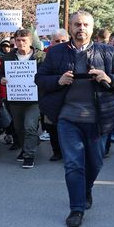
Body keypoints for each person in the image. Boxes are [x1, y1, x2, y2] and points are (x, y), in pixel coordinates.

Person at [36, 10, 114, 227]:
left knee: (95, 163)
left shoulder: (108, 52)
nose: (81, 28)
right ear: (70, 27)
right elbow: (40, 78)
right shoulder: (56, 52)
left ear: (92, 28)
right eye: (77, 24)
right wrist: (58, 80)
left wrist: (109, 78)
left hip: (99, 119)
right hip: (67, 118)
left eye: (85, 25)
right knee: (73, 164)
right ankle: (76, 208)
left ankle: (86, 188)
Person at [0, 29, 45, 168]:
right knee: (19, 128)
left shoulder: (41, 57)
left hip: (34, 99)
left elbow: (47, 75)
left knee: (30, 126)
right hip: (16, 98)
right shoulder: (7, 57)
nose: (20, 43)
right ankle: (27, 146)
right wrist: (2, 79)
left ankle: (29, 156)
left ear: (30, 41)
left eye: (24, 40)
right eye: (18, 40)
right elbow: (1, 74)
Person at [42, 29, 69, 161]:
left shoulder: (74, 54)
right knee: (52, 126)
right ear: (51, 42)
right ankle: (56, 151)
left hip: (69, 97)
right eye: (57, 41)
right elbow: (41, 77)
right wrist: (58, 81)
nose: (60, 43)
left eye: (63, 40)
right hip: (51, 95)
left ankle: (67, 151)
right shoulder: (46, 55)